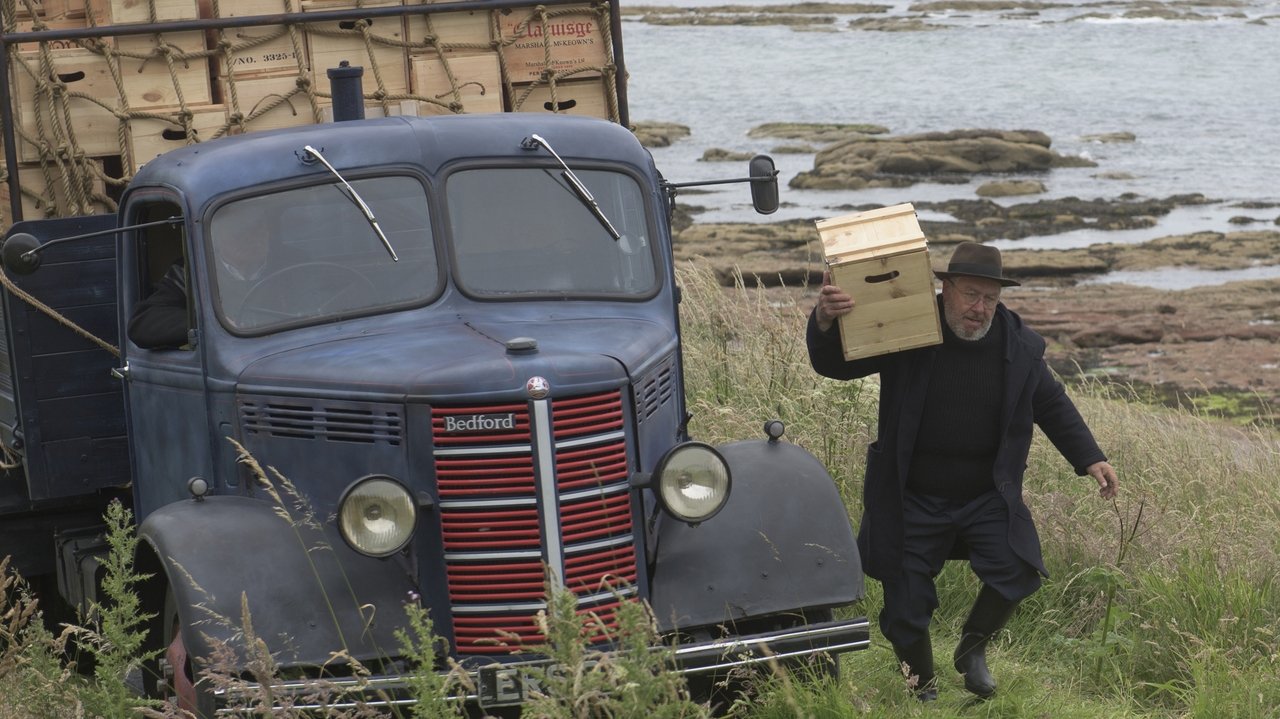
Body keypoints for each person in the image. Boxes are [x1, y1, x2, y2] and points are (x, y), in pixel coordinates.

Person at [807, 241, 1118, 701]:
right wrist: (824, 320)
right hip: (911, 494)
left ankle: (972, 651)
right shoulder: (909, 329)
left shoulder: (1017, 345)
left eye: (990, 298)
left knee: (1018, 567)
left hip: (985, 494)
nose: (980, 308)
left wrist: (1090, 457)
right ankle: (923, 690)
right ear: (946, 288)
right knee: (905, 605)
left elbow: (1050, 402)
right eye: (971, 294)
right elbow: (835, 364)